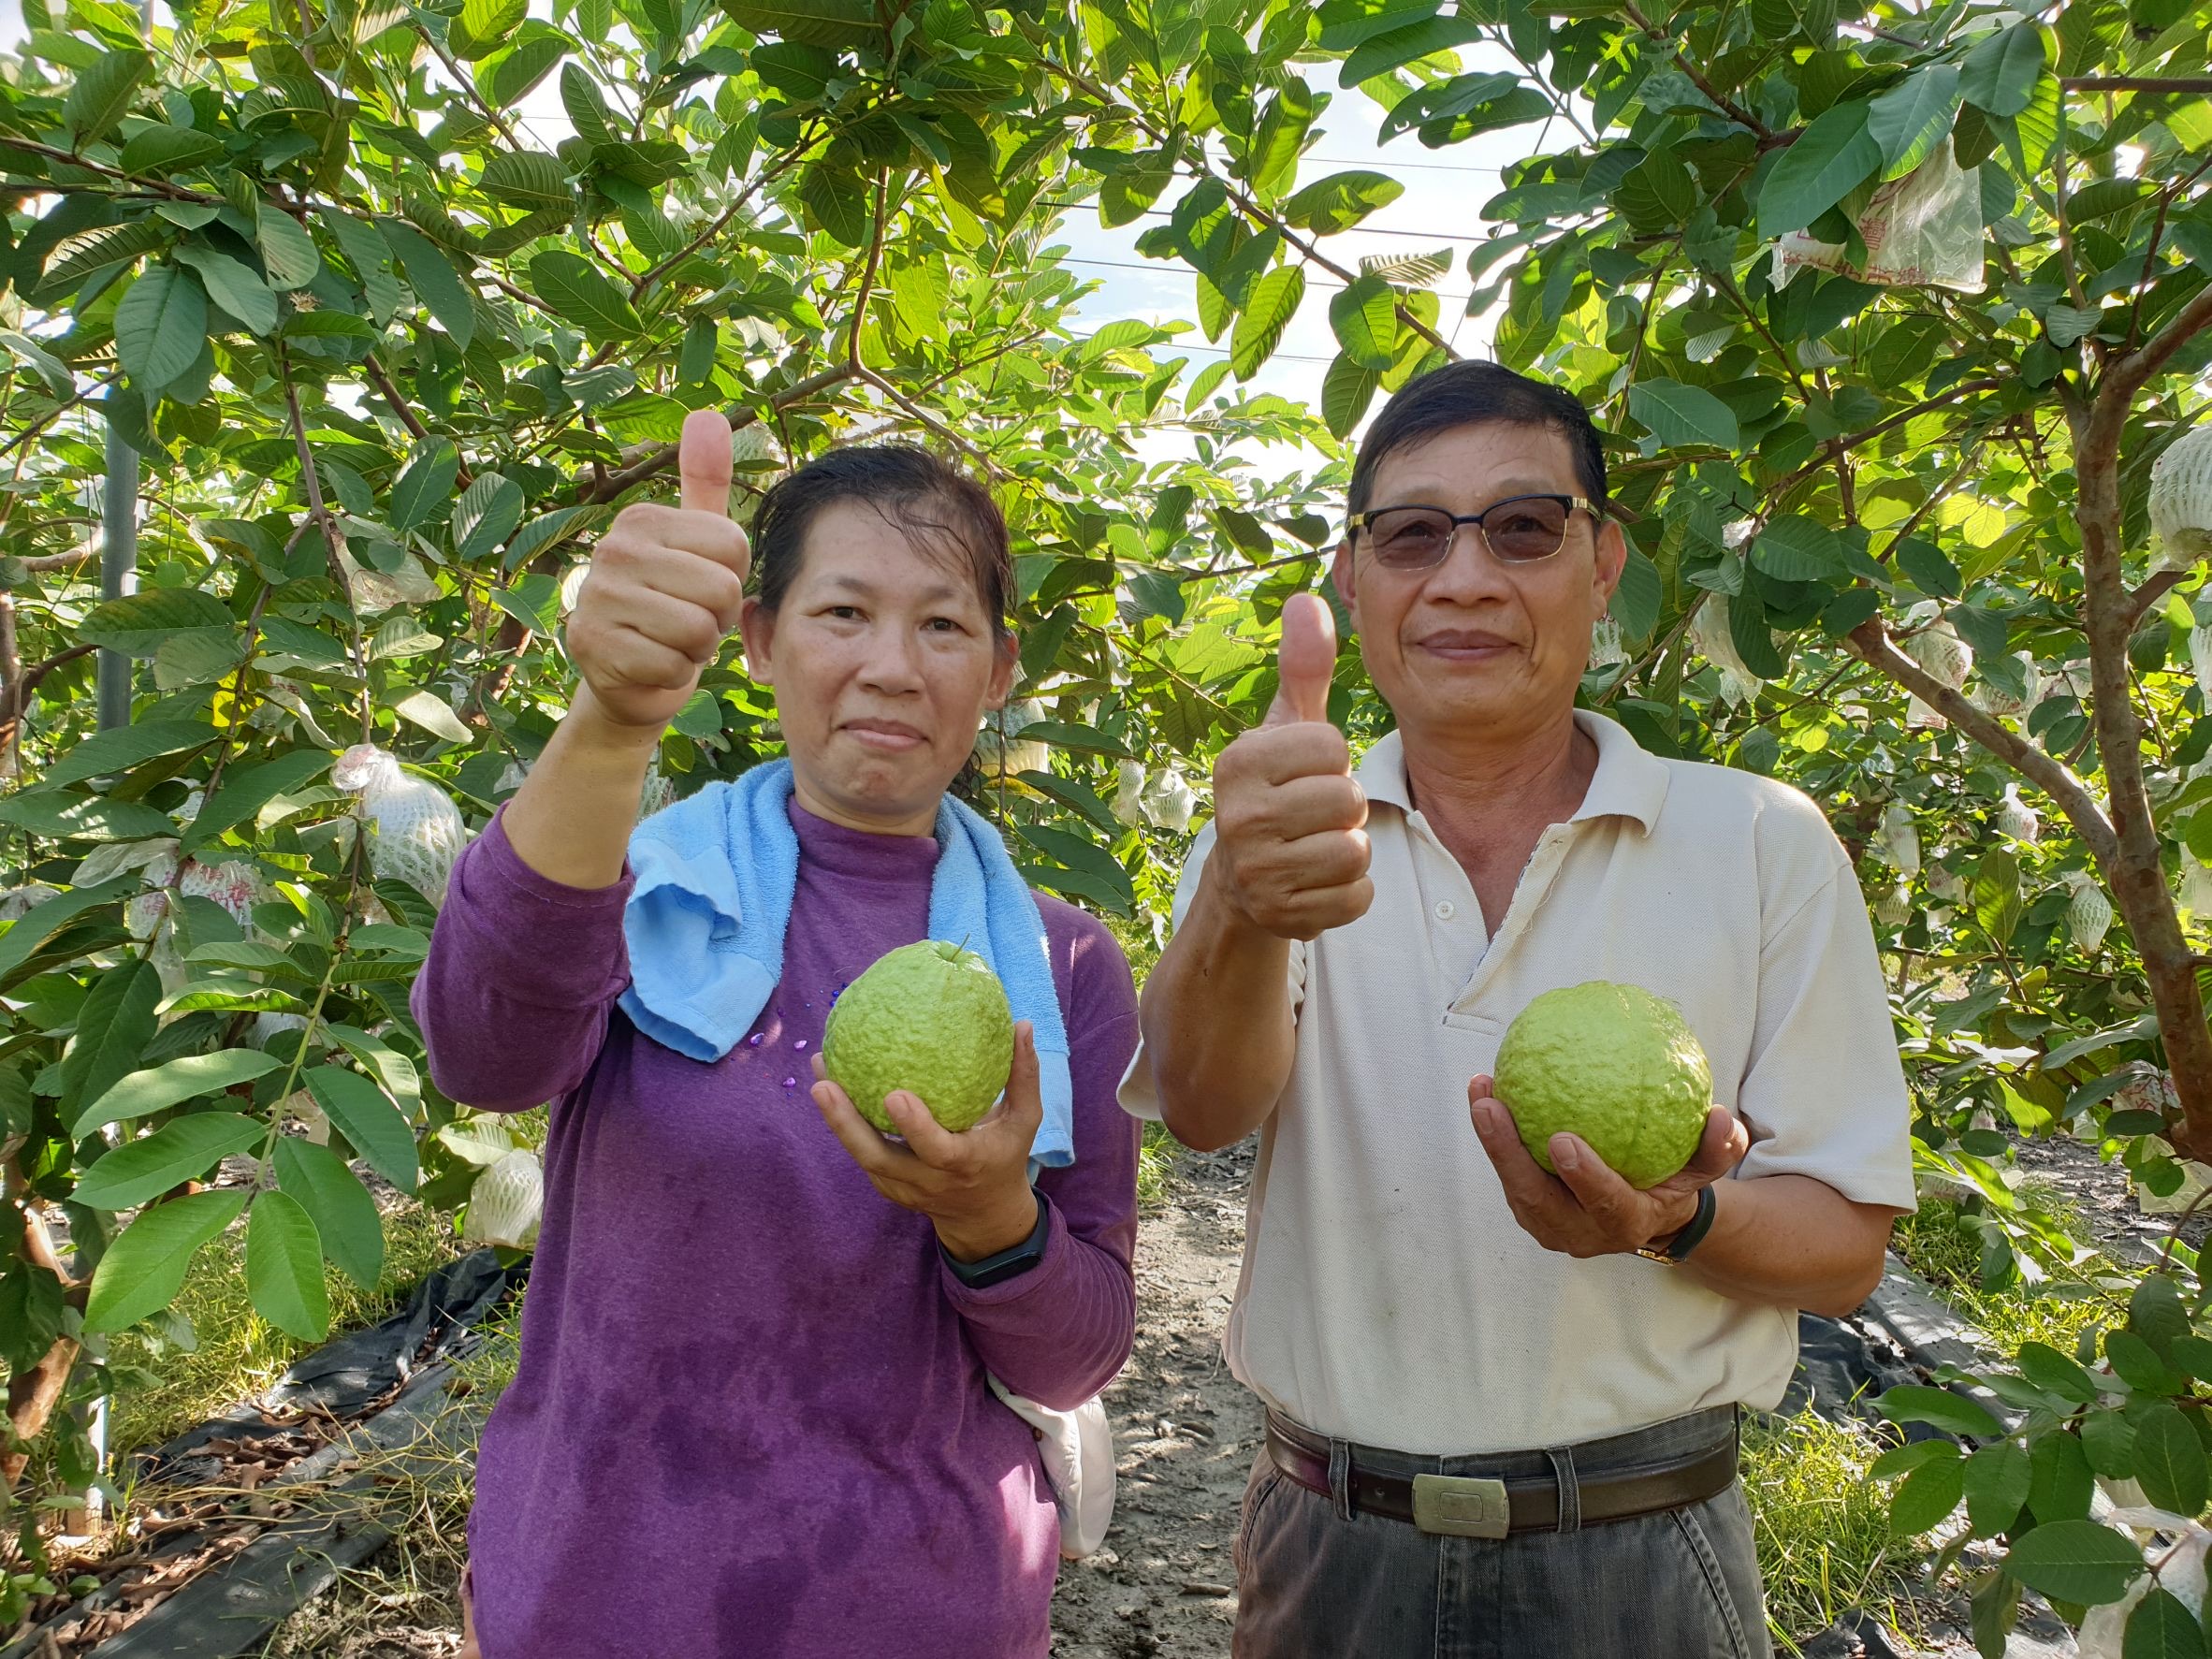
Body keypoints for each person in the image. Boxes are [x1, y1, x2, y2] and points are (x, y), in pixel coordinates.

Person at [1123, 360, 1916, 1658]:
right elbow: (1204, 1112)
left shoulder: (1760, 843)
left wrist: (1675, 1218)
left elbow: (1844, 1245)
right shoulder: (1276, 836)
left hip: (1642, 1555)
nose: (1466, 577)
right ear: (1354, 578)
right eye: (1413, 533)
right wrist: (1242, 899)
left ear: (1602, 562)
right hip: (1336, 1547)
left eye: (1524, 528)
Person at [415, 414, 1141, 1658]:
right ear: (758, 639)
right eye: (843, 612)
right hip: (598, 1599)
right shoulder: (645, 886)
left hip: (919, 1610)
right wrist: (610, 718)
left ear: (1003, 669)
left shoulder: (1062, 964)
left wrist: (990, 1219)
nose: (893, 666)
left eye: (944, 624)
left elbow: (1079, 1353)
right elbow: (482, 1054)